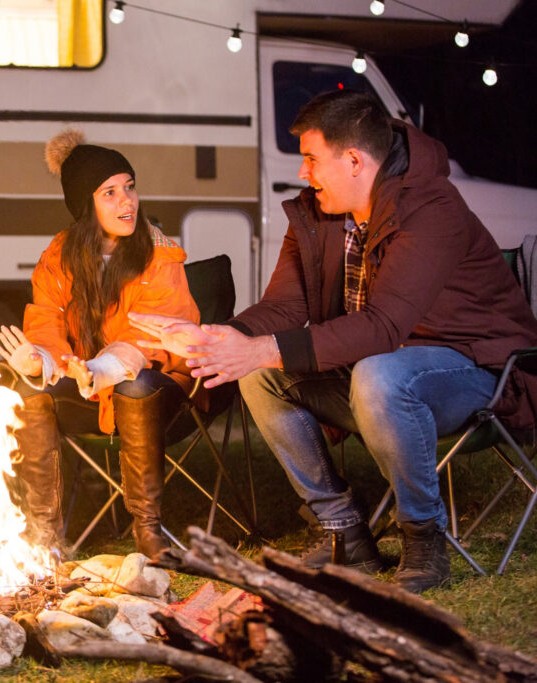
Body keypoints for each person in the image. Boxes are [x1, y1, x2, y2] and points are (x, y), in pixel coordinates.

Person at [131, 90, 537, 593]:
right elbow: (287, 307)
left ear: (352, 161)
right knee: (260, 372)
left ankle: (424, 540)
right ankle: (344, 529)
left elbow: (384, 326)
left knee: (377, 373)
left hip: (481, 371)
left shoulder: (431, 207)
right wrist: (222, 337)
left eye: (310, 159)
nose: (303, 174)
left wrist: (262, 347)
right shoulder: (317, 213)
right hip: (384, 370)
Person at [0, 130, 201, 559]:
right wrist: (40, 360)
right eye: (109, 193)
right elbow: (47, 319)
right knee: (31, 395)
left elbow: (157, 335)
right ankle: (44, 538)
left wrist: (104, 368)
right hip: (88, 383)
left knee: (135, 385)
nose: (126, 201)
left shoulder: (159, 255)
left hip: (159, 388)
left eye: (129, 187)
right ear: (84, 205)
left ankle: (148, 531)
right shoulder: (59, 255)